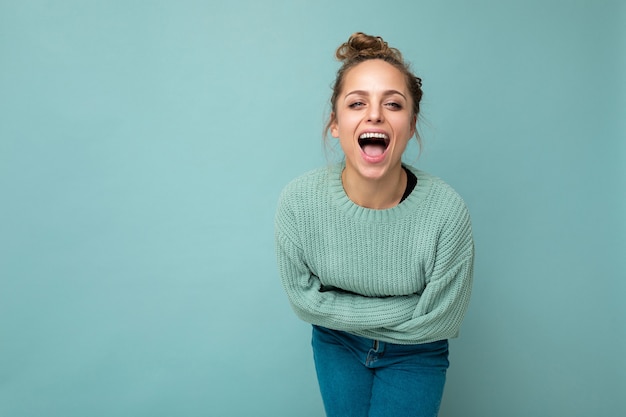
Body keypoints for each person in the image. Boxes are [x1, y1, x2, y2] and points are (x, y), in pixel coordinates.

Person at [274, 32, 474, 417]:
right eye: (357, 102)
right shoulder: (299, 203)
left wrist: (332, 305)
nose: (375, 114)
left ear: (411, 125)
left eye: (393, 104)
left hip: (417, 352)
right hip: (337, 345)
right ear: (336, 123)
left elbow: (443, 317)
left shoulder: (446, 211)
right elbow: (303, 301)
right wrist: (411, 307)